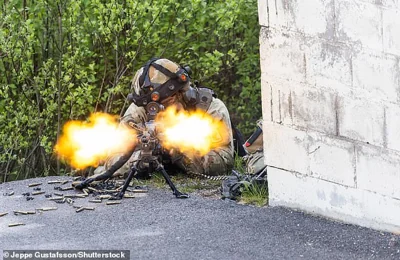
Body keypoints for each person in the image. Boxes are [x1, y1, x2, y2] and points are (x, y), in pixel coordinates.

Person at [75, 58, 234, 189]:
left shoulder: (210, 109)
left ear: (180, 94)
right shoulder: (140, 110)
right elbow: (112, 157)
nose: (158, 112)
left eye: (165, 104)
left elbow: (224, 161)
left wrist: (178, 151)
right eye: (153, 107)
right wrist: (141, 158)